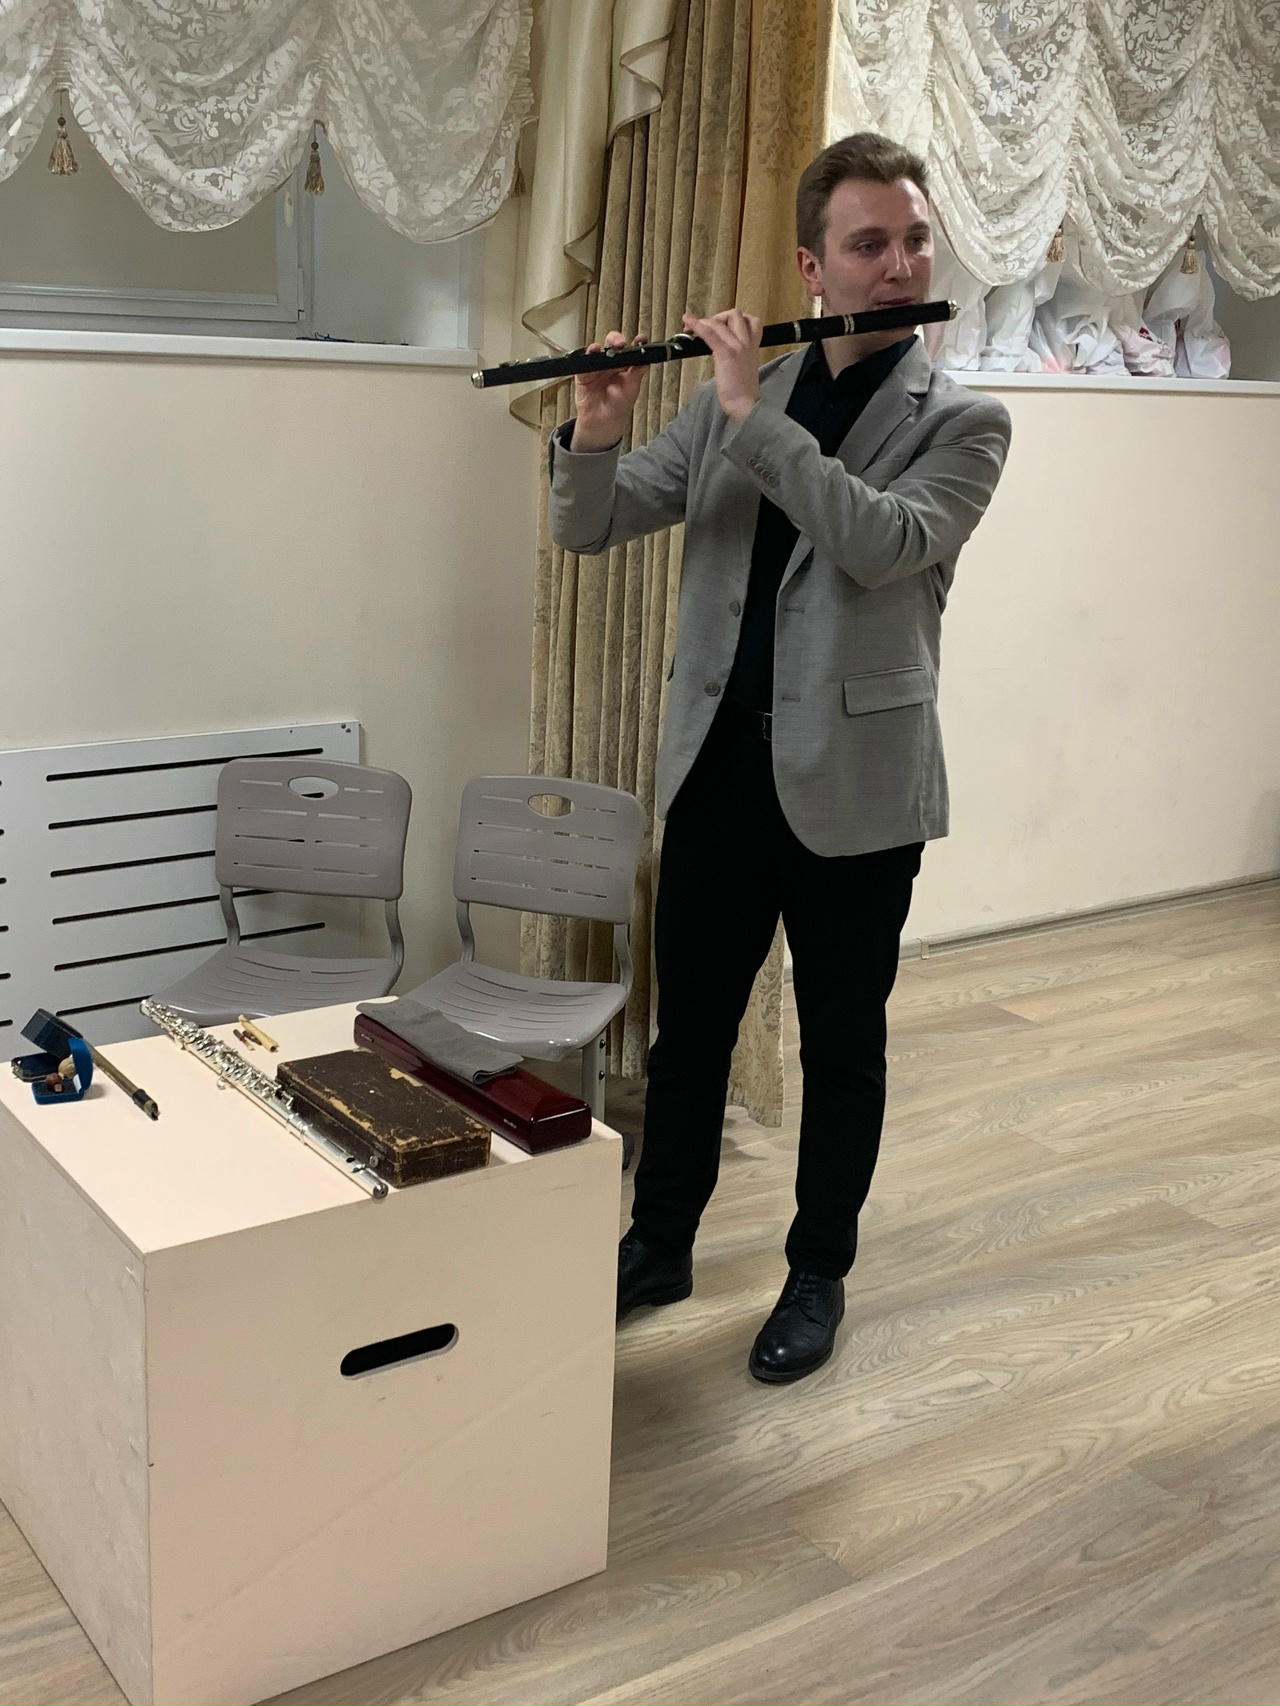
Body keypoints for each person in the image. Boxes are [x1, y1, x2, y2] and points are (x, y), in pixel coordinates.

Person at [547, 132, 1012, 1384]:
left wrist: (752, 417)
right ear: (812, 265)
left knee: (840, 1045)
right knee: (688, 1036)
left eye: (911, 241)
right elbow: (595, 524)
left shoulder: (961, 422)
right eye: (866, 244)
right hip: (718, 773)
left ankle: (816, 1271)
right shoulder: (731, 399)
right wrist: (595, 429)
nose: (895, 264)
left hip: (856, 789)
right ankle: (659, 1242)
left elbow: (878, 540)